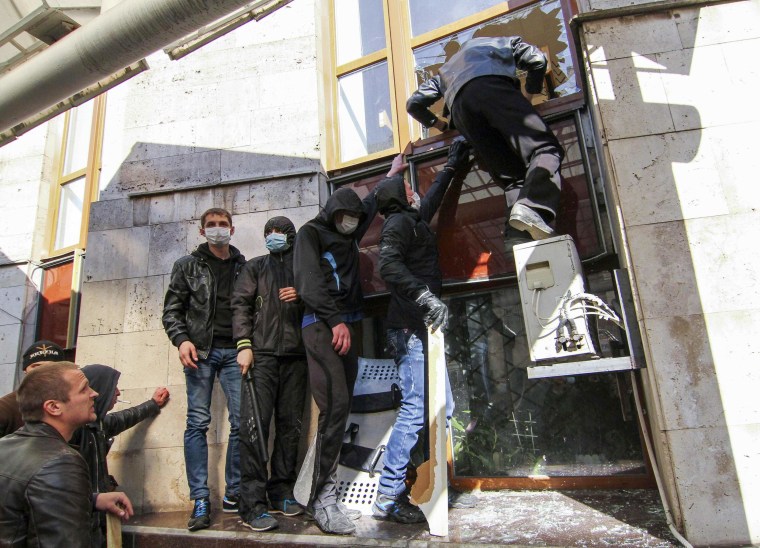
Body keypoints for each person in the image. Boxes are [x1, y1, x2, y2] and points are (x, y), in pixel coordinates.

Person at [370, 141, 471, 523]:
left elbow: (431, 201)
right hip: (411, 330)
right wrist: (425, 296)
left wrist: (450, 166)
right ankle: (387, 498)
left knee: (443, 409)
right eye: (408, 189)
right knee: (416, 410)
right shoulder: (398, 224)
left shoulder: (410, 220)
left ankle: (433, 488)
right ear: (398, 198)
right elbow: (388, 266)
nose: (415, 192)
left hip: (422, 329)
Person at [406, 36, 565, 247]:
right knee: (545, 149)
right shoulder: (499, 43)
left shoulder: (444, 72)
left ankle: (517, 237)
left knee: (513, 177)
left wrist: (441, 125)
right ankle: (533, 207)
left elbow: (413, 103)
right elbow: (537, 60)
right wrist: (528, 95)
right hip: (493, 89)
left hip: (461, 113)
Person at [293, 183, 379, 535]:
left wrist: (392, 172)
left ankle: (326, 494)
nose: (352, 222)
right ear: (332, 212)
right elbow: (308, 283)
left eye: (356, 218)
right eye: (346, 216)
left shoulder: (349, 231)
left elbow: (370, 207)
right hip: (322, 325)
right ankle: (323, 500)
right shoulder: (310, 233)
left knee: (340, 410)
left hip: (347, 325)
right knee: (334, 406)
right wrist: (335, 320)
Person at [162, 207, 245, 531]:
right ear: (202, 231)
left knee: (243, 421)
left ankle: (234, 492)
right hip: (200, 353)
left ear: (232, 230)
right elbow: (172, 310)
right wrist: (181, 339)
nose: (217, 229)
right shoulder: (187, 266)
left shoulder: (243, 266)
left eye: (222, 224)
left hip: (235, 352)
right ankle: (199, 498)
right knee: (197, 422)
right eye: (211, 225)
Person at [0, 361, 133, 547]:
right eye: (84, 389)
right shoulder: (60, 462)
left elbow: (23, 503)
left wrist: (91, 499)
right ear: (54, 407)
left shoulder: (5, 445)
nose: (94, 393)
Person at [231, 216, 307, 532]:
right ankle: (251, 504)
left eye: (279, 232)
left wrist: (303, 296)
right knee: (254, 428)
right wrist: (244, 345)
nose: (273, 236)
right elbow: (240, 305)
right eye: (268, 232)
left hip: (296, 358)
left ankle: (281, 492)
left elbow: (324, 301)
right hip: (259, 357)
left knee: (290, 427)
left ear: (291, 235)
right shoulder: (255, 267)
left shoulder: (303, 268)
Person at [72, 364, 170, 546]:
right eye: (113, 388)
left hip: (96, 521)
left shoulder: (98, 426)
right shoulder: (74, 432)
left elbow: (124, 418)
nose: (117, 393)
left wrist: (152, 404)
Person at [0, 339, 65, 438]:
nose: (42, 372)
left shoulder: (73, 405)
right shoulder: (5, 408)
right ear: (25, 370)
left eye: (51, 367)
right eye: (36, 366)